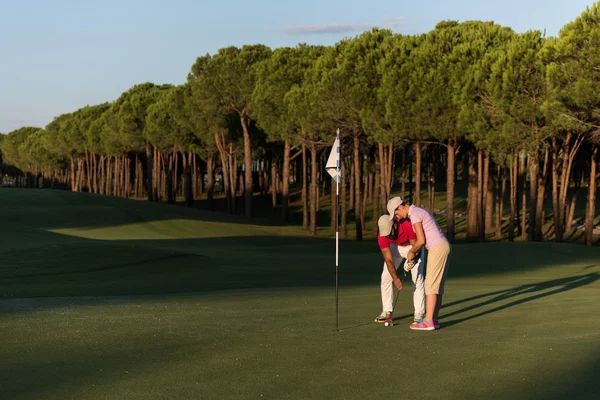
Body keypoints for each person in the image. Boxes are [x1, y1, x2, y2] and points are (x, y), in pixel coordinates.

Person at [387, 197, 451, 331]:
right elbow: (421, 241)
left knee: (431, 285)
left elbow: (421, 240)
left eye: (396, 213)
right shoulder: (417, 211)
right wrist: (414, 257)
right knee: (436, 286)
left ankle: (428, 321)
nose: (397, 217)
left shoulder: (414, 214)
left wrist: (411, 252)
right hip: (443, 246)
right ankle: (434, 319)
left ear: (400, 207)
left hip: (437, 248)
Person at [374, 214, 426, 325]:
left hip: (413, 247)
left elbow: (416, 248)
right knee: (385, 277)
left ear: (394, 226)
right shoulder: (382, 236)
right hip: (395, 247)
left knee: (417, 278)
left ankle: (419, 314)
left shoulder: (407, 224)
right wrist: (395, 277)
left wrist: (412, 261)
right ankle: (387, 311)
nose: (387, 236)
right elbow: (388, 259)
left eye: (389, 233)